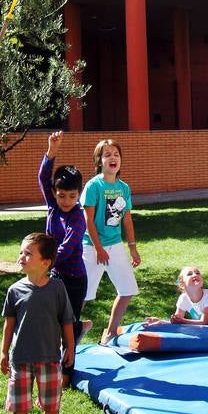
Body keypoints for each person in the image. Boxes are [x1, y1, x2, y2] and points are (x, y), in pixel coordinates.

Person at [0, 232, 77, 414]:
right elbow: (9, 324)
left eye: (28, 253)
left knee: (51, 401)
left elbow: (66, 320)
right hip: (21, 357)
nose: (21, 256)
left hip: (50, 357)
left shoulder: (57, 288)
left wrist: (70, 348)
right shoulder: (15, 290)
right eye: (21, 252)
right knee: (20, 402)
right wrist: (4, 351)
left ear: (45, 262)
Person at [38, 131, 92, 366]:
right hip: (56, 274)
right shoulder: (53, 206)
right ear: (54, 194)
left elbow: (66, 250)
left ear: (79, 194)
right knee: (55, 319)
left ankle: (68, 369)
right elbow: (43, 177)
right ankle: (79, 328)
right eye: (61, 196)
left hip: (74, 279)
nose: (66, 201)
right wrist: (52, 151)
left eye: (72, 196)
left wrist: (42, 264)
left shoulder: (78, 218)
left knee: (68, 326)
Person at [81, 138, 141, 344]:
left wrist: (132, 248)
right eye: (107, 154)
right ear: (99, 161)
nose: (112, 158)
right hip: (91, 247)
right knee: (83, 295)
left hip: (115, 245)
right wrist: (98, 248)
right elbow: (88, 220)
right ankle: (68, 332)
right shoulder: (93, 186)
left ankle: (111, 331)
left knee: (128, 290)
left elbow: (127, 218)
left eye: (116, 154)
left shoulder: (124, 188)